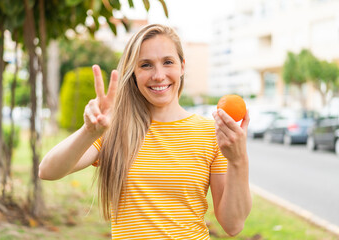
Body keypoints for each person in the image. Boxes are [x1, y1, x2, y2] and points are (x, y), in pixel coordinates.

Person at [39, 24, 252, 239]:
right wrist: (89, 131)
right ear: (134, 72)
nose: (159, 75)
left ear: (182, 66)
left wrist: (238, 160)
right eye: (146, 65)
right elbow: (48, 171)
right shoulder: (114, 128)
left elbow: (233, 225)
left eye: (168, 62)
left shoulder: (210, 133)